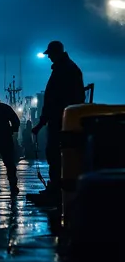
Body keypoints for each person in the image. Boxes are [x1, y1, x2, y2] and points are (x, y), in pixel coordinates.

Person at [31, 41, 85, 204]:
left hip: (60, 120)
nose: (49, 58)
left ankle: (56, 190)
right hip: (64, 119)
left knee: (55, 155)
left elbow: (54, 100)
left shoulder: (64, 70)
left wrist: (42, 123)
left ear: (56, 53)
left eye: (50, 55)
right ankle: (56, 188)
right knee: (58, 156)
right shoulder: (68, 68)